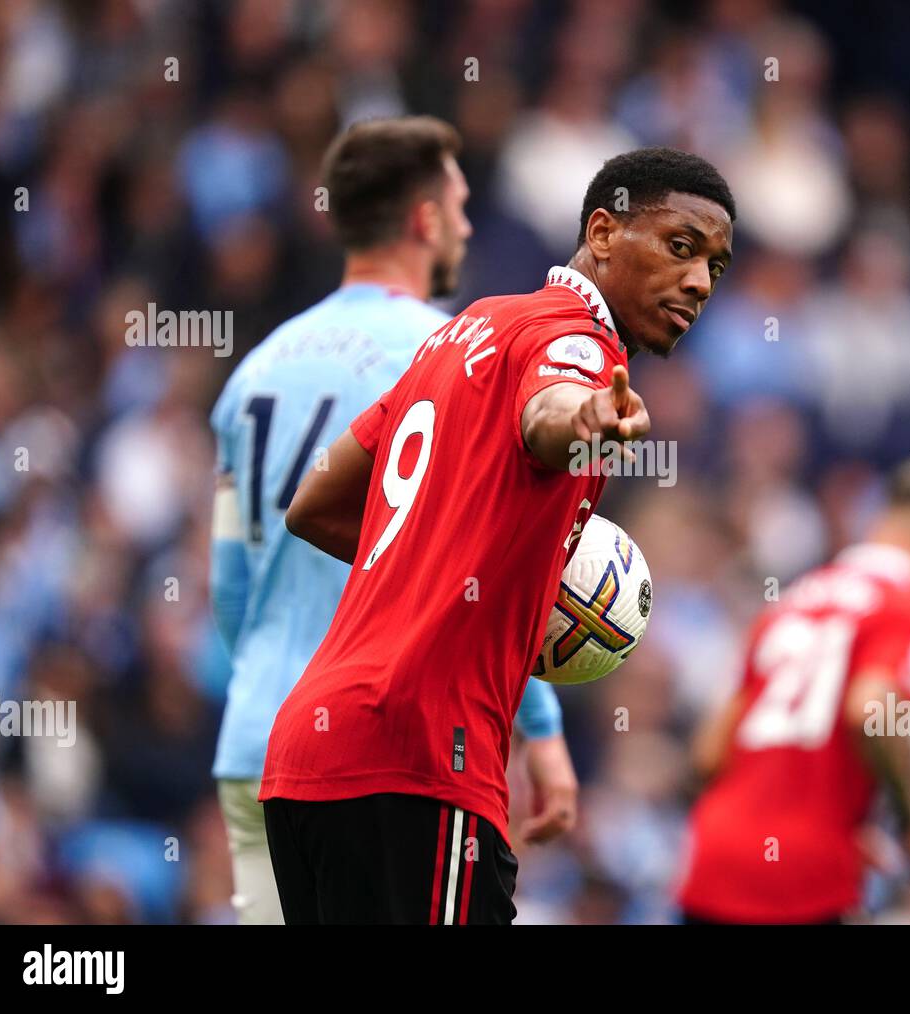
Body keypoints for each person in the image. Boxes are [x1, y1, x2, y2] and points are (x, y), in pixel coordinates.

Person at [259, 146, 736, 924]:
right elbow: (552, 412)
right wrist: (584, 423)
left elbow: (314, 504)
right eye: (681, 247)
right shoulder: (579, 342)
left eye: (716, 266)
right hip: (420, 756)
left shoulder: (470, 329)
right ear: (604, 231)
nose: (699, 282)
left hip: (311, 752)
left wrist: (447, 565)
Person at [208, 117, 576, 925]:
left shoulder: (256, 369)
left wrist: (261, 692)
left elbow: (229, 589)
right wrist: (540, 729)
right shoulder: (453, 353)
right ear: (425, 219)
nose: (470, 225)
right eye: (461, 204)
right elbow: (481, 560)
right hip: (387, 738)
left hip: (264, 746)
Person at [675, 461, 910, 924]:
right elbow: (868, 710)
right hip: (805, 881)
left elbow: (707, 755)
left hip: (713, 864)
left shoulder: (787, 605)